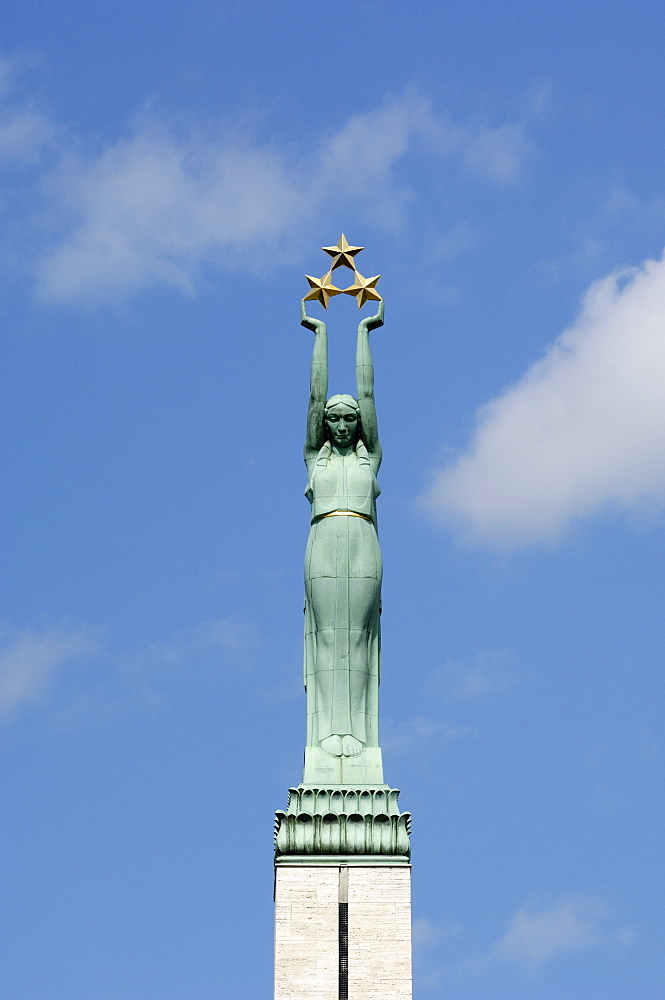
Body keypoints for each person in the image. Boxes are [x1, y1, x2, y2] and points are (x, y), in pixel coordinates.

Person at [301, 298, 384, 758]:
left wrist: (363, 332)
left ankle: (354, 733)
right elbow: (315, 398)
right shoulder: (316, 459)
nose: (341, 424)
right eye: (334, 418)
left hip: (362, 543)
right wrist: (320, 334)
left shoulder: (369, 458)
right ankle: (329, 733)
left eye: (349, 418)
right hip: (324, 539)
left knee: (356, 637)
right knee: (328, 637)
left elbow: (368, 395)